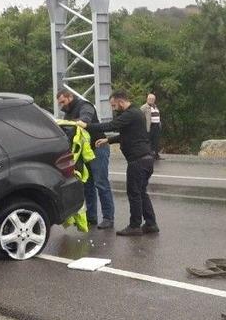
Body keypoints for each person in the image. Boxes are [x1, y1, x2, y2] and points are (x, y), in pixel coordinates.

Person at [77, 91, 159, 237]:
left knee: (134, 193)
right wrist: (108, 140)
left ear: (121, 102)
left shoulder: (130, 114)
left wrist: (86, 125)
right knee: (141, 192)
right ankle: (151, 224)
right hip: (145, 159)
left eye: (114, 105)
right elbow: (126, 135)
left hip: (138, 161)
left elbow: (111, 125)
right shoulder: (135, 114)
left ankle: (135, 226)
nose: (114, 108)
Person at [56, 89, 115, 229]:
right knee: (87, 185)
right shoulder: (67, 111)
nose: (61, 106)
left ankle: (108, 217)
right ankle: (91, 217)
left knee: (101, 183)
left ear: (70, 97)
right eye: (59, 103)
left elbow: (85, 120)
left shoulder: (85, 106)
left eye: (63, 102)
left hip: (97, 148)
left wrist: (74, 122)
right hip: (84, 152)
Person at [141, 93, 163, 160]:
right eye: (150, 99)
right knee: (149, 141)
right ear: (147, 99)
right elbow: (140, 116)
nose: (151, 100)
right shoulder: (144, 107)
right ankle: (149, 155)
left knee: (156, 141)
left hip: (156, 126)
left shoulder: (155, 106)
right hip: (150, 126)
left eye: (153, 99)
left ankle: (156, 155)